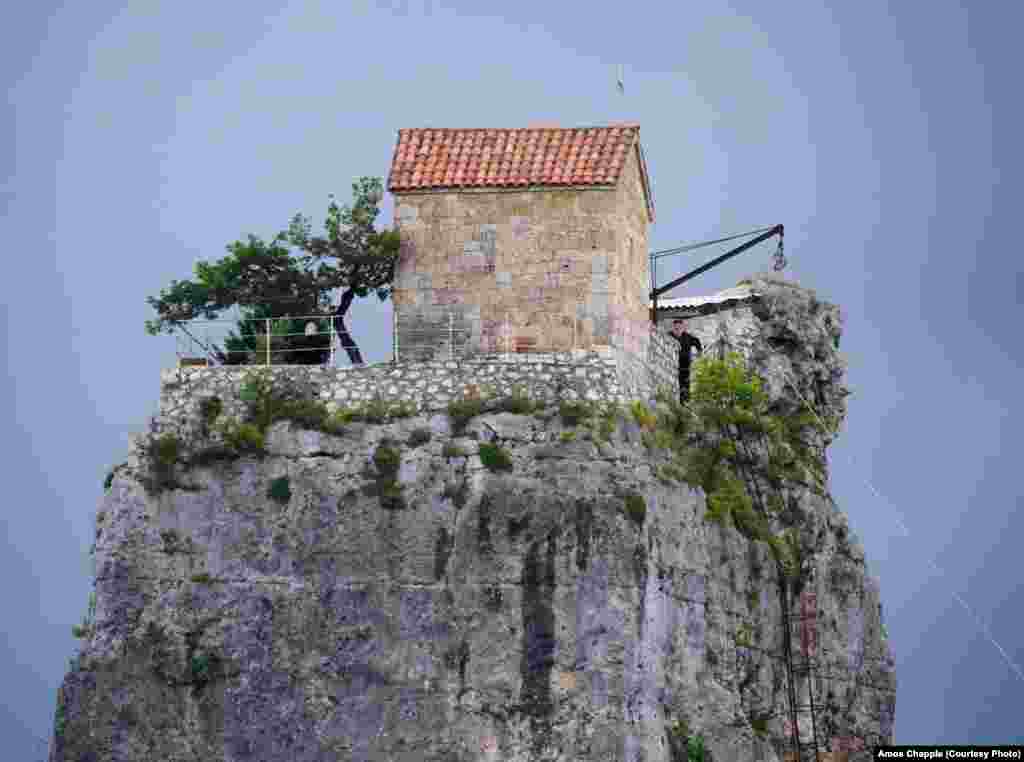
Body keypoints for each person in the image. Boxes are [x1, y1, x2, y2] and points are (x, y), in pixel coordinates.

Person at [669, 318, 702, 403]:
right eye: (676, 328)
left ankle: (685, 401)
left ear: (683, 328)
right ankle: (675, 401)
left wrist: (699, 352)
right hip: (671, 365)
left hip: (685, 365)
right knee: (674, 384)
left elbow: (697, 341)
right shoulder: (668, 336)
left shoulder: (687, 337)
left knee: (685, 383)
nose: (678, 330)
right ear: (673, 328)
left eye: (679, 328)